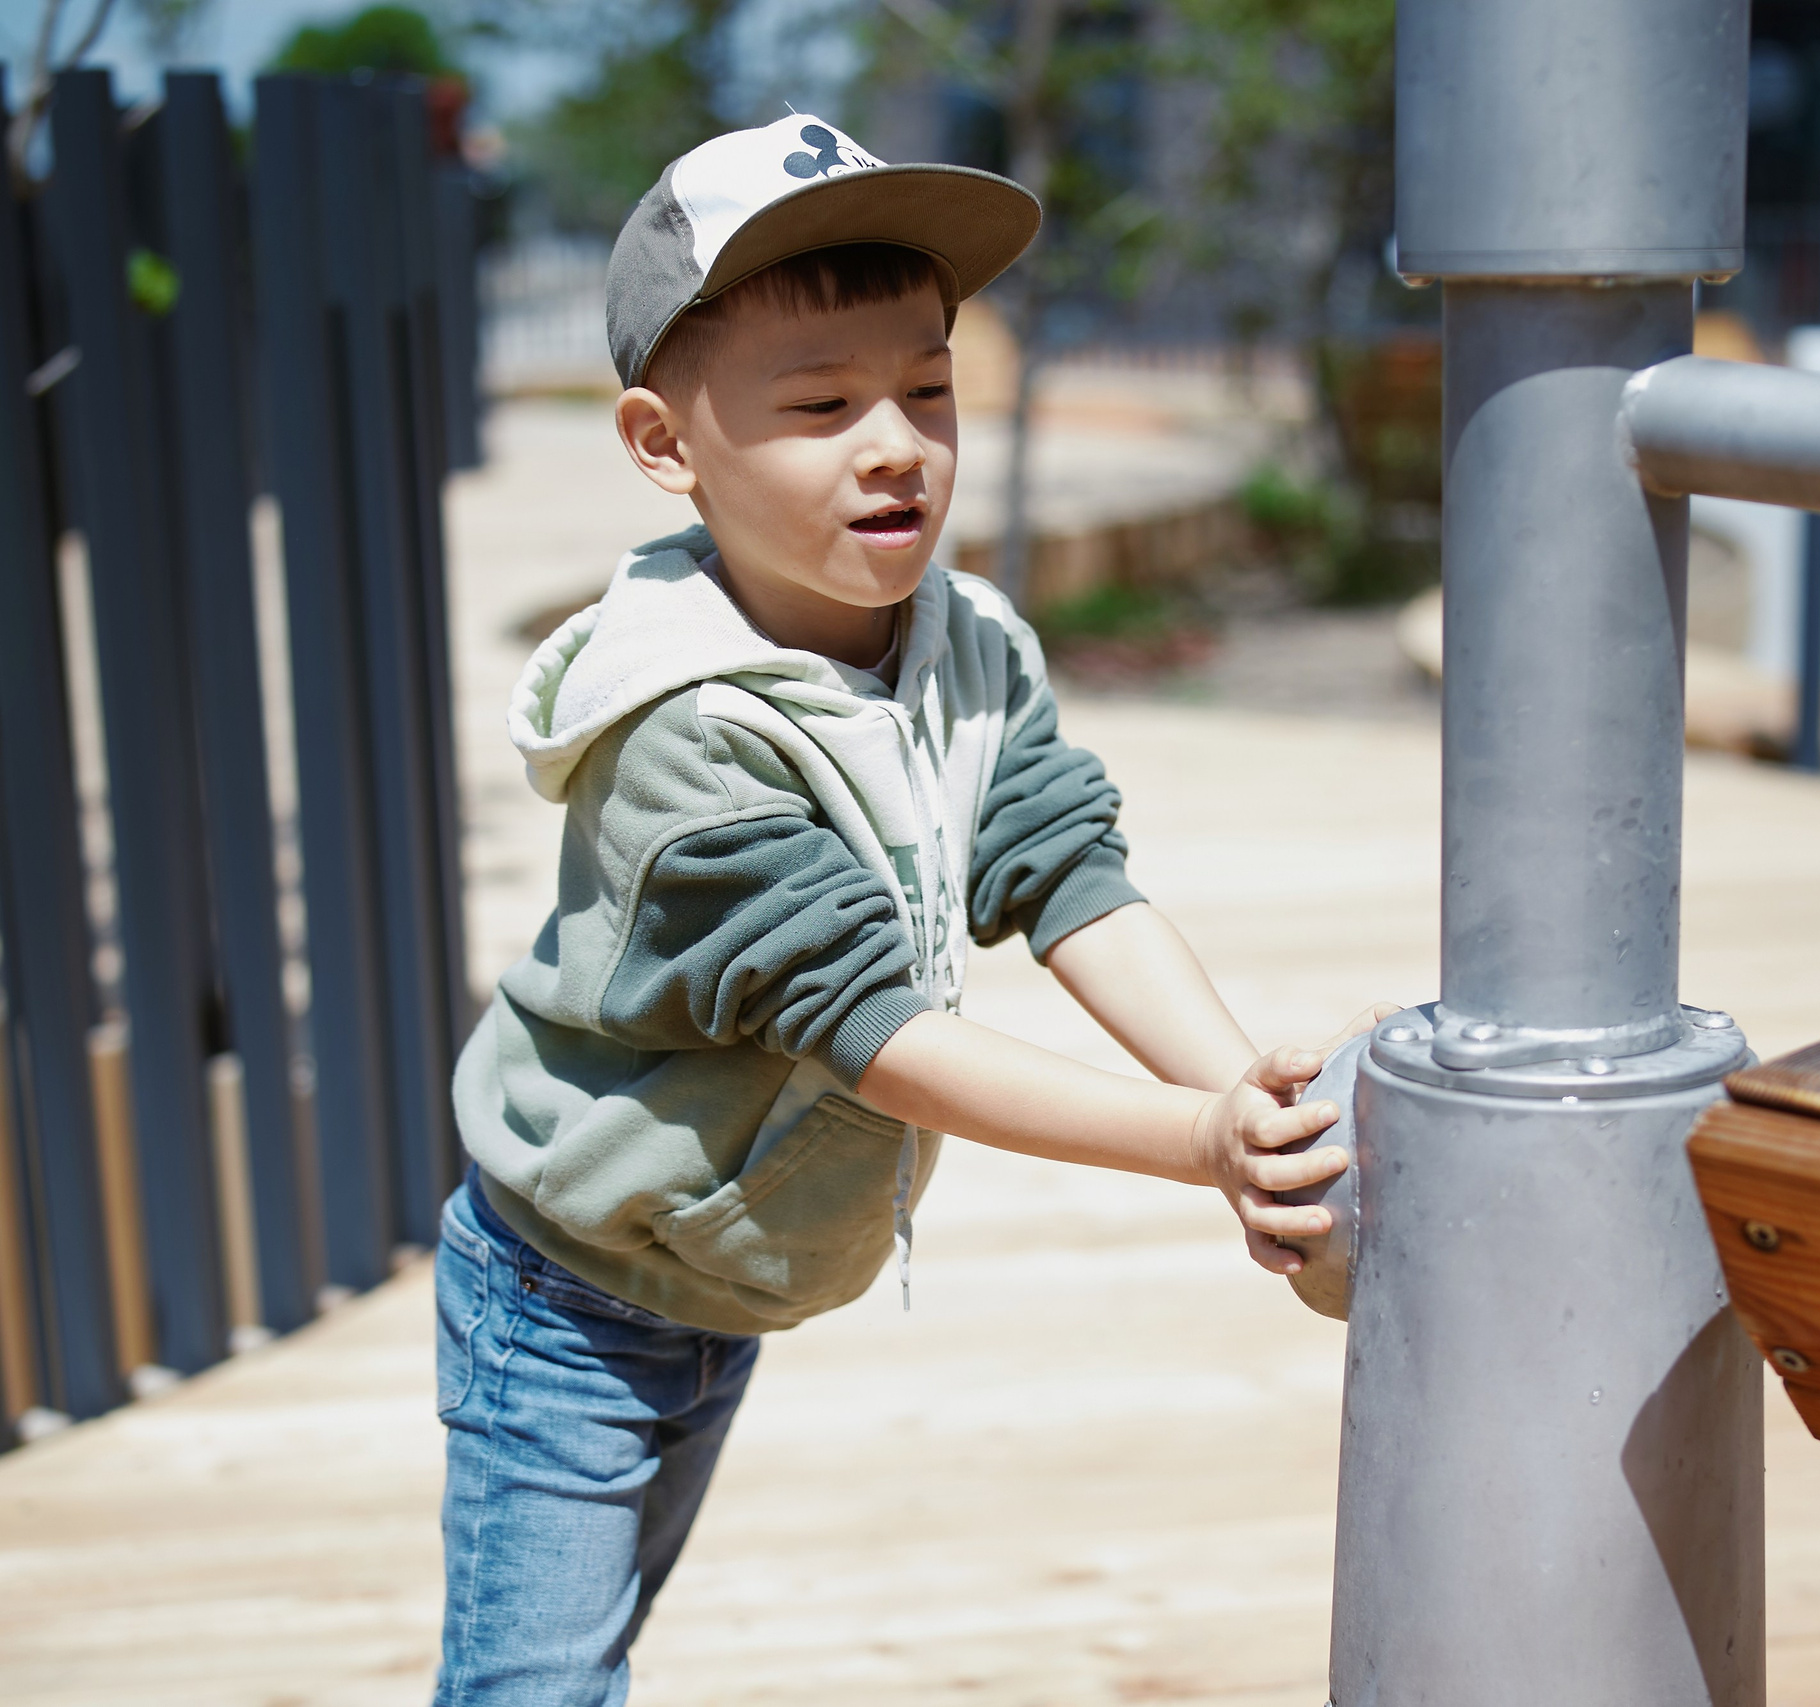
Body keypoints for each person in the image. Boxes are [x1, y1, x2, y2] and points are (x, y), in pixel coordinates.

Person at [433, 114, 1379, 1703]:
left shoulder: (966, 638)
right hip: (571, 1291)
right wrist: (1191, 1145)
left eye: (928, 386)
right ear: (665, 445)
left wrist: (1244, 1093)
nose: (896, 443)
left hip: (718, 1262)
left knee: (582, 1658)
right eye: (820, 405)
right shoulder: (687, 734)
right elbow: (877, 1033)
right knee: (535, 1683)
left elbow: (1062, 867)